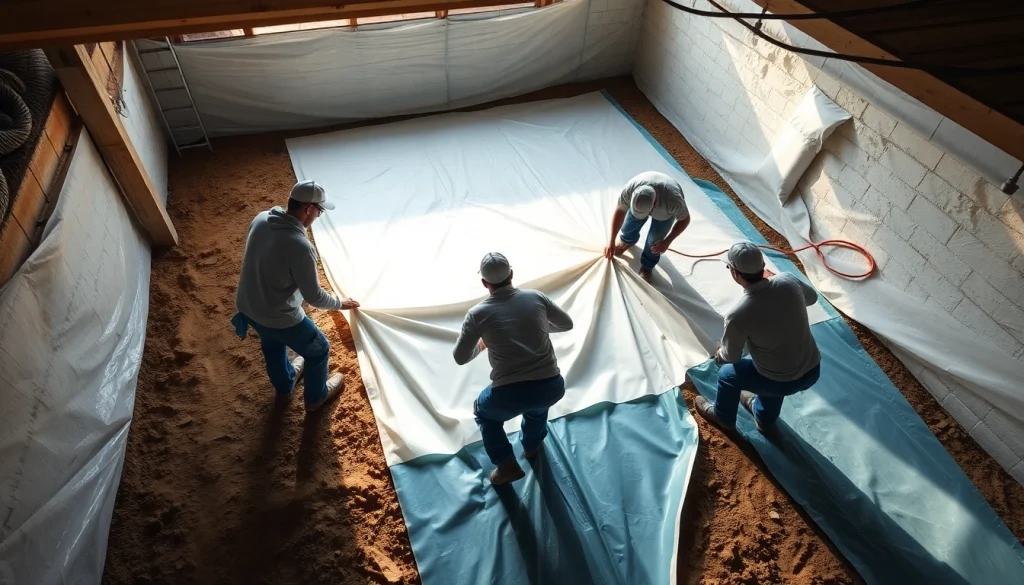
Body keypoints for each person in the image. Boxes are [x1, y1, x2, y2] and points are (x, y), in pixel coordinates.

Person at [231, 179, 359, 413]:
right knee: (319, 349)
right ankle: (315, 398)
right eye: (319, 211)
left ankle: (285, 386)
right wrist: (340, 303)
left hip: (249, 305)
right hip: (277, 315)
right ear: (309, 209)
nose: (318, 216)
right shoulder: (300, 246)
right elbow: (314, 296)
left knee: (272, 344)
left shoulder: (261, 218)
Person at [453, 252, 574, 485]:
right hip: (551, 386)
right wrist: (537, 327)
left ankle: (506, 464)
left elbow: (460, 357)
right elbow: (566, 324)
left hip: (508, 395)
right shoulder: (535, 297)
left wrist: (482, 344)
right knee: (538, 409)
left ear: (484, 283)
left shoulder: (477, 314)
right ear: (511, 273)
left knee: (485, 414)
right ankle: (531, 448)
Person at [692, 242, 821, 432]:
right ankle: (763, 417)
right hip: (812, 370)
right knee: (772, 367)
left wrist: (719, 353)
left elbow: (732, 357)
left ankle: (723, 417)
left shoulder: (739, 314)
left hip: (781, 380)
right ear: (763, 266)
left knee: (728, 374)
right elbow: (811, 298)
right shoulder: (788, 280)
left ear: (735, 273)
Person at [603, 171, 691, 283]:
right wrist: (611, 241)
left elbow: (685, 220)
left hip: (664, 214)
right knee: (628, 226)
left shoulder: (673, 201)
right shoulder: (630, 189)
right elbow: (620, 211)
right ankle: (627, 241)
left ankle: (647, 267)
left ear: (654, 204)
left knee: (654, 243)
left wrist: (667, 241)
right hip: (650, 200)